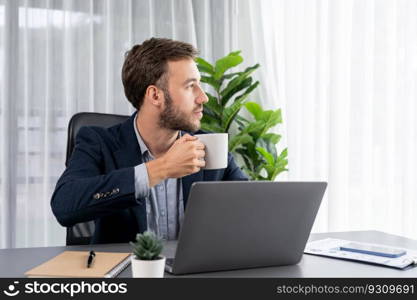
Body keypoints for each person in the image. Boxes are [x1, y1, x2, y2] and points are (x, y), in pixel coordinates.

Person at [51, 37, 248, 244]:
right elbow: (65, 205)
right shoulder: (100, 142)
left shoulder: (208, 144)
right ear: (155, 95)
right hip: (127, 272)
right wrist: (161, 169)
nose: (203, 98)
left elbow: (252, 207)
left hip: (192, 273)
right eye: (191, 86)